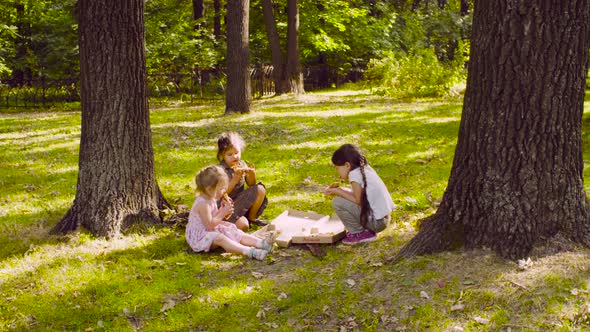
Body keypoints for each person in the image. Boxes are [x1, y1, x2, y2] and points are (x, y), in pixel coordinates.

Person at [186, 165, 273, 260]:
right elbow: (209, 225)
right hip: (200, 237)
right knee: (220, 238)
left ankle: (261, 243)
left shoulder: (210, 198)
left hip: (210, 230)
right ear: (209, 189)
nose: (224, 191)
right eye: (221, 189)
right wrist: (222, 212)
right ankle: (249, 251)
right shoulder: (203, 204)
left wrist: (224, 210)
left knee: (232, 230)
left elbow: (213, 217)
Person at [323, 144, 395, 245]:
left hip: (377, 223)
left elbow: (358, 200)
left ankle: (360, 233)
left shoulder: (354, 175)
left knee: (337, 202)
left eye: (337, 168)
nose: (337, 171)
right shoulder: (364, 169)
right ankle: (364, 231)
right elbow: (361, 196)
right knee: (341, 198)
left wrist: (338, 191)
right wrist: (340, 189)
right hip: (382, 220)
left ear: (347, 165)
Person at [217, 132, 268, 230]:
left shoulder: (241, 164)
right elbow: (222, 194)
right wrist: (235, 179)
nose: (234, 157)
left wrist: (251, 174)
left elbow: (251, 185)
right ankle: (230, 223)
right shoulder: (220, 171)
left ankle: (252, 217)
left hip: (241, 202)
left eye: (236, 153)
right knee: (243, 226)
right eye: (230, 154)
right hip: (226, 208)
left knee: (260, 189)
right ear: (222, 155)